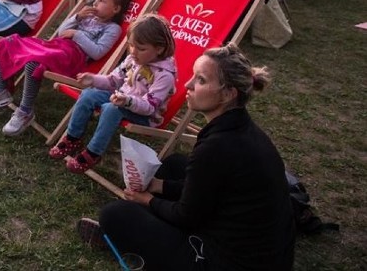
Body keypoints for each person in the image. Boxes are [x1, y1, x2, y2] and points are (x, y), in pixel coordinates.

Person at [80, 44, 295, 271]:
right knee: (175, 164)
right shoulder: (239, 127)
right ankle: (142, 226)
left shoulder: (217, 146)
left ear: (228, 94)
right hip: (266, 247)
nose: (188, 85)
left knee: (114, 214)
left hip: (229, 261)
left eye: (201, 80)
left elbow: (186, 216)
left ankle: (128, 235)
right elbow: (207, 189)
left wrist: (148, 200)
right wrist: (159, 186)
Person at [0, 0, 135, 135]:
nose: (95, 3)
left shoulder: (113, 29)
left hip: (71, 58)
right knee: (8, 42)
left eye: (101, 1)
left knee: (34, 63)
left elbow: (98, 52)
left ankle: (25, 111)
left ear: (116, 9)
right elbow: (61, 32)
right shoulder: (86, 18)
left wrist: (76, 34)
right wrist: (77, 18)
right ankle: (0, 90)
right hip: (56, 46)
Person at [49, 14, 176, 173]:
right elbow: (114, 80)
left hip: (144, 115)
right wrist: (93, 80)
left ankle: (94, 152)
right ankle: (72, 137)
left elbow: (150, 107)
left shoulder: (164, 76)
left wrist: (127, 101)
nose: (134, 52)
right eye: (131, 45)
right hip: (122, 97)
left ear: (159, 49)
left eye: (141, 48)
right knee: (89, 94)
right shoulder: (133, 59)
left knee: (111, 109)